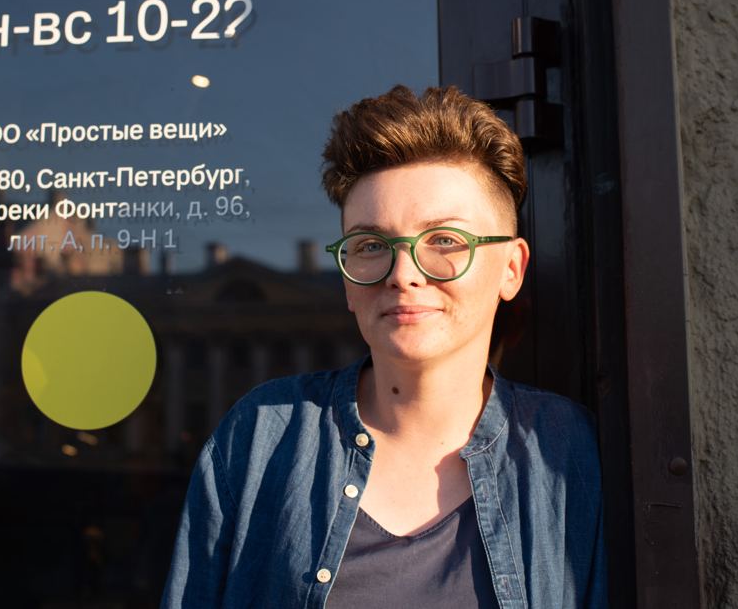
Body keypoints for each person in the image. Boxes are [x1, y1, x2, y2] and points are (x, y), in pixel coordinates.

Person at [162, 85, 607, 608]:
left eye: (444, 240)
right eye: (372, 245)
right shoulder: (260, 437)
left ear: (511, 268)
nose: (403, 273)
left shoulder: (568, 451)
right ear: (347, 282)